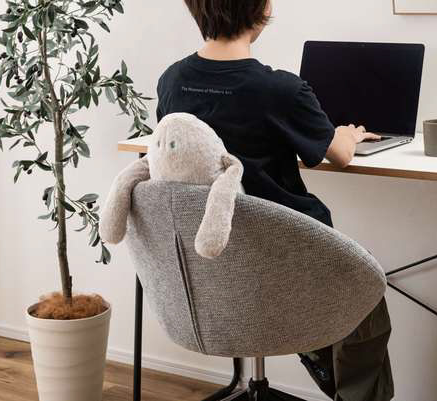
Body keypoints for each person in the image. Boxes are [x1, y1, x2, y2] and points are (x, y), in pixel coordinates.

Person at [156, 1, 394, 400]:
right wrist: (347, 134)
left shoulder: (171, 81)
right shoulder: (281, 90)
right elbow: (340, 155)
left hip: (212, 267)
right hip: (285, 260)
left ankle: (317, 351)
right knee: (364, 284)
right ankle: (334, 369)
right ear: (263, 10)